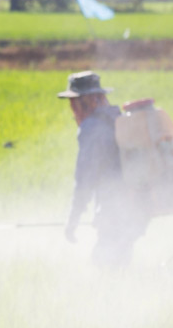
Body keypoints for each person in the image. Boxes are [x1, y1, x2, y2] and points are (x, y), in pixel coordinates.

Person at [58, 70, 147, 267]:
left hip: (117, 212)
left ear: (81, 102)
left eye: (73, 103)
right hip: (137, 206)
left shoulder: (91, 128)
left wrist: (73, 219)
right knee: (120, 264)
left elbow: (84, 180)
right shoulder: (117, 118)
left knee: (104, 268)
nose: (72, 108)